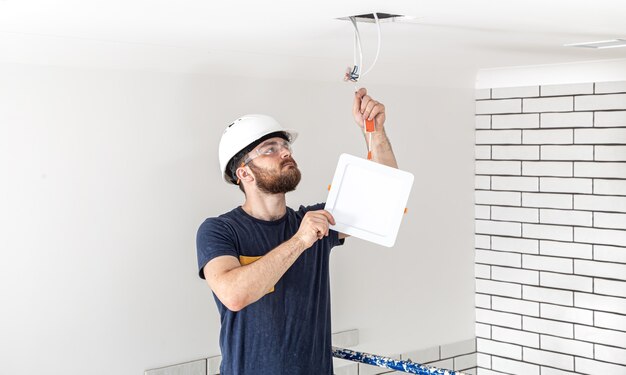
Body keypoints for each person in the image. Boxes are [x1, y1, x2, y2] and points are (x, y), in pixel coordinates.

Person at [196, 88, 398, 374]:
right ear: (244, 173)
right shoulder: (220, 230)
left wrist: (375, 131)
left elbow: (385, 198)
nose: (285, 152)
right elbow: (234, 294)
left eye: (284, 146)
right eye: (270, 149)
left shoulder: (314, 221)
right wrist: (300, 241)